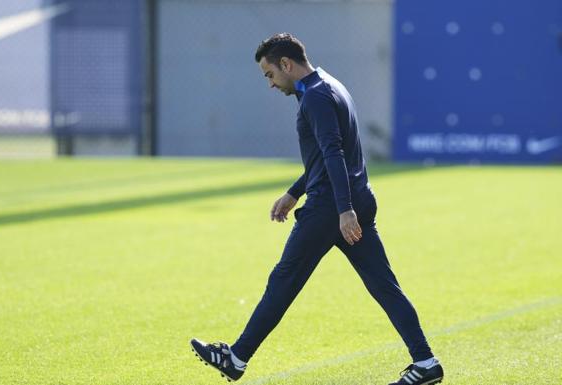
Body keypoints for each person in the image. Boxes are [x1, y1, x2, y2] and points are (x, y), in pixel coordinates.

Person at [190, 33, 444, 385]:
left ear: (286, 64)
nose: (270, 84)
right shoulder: (329, 85)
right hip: (355, 198)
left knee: (284, 279)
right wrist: (295, 192)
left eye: (269, 75)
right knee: (384, 285)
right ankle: (426, 362)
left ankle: (236, 357)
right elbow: (323, 157)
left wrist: (343, 211)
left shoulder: (316, 98)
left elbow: (333, 152)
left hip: (331, 209)